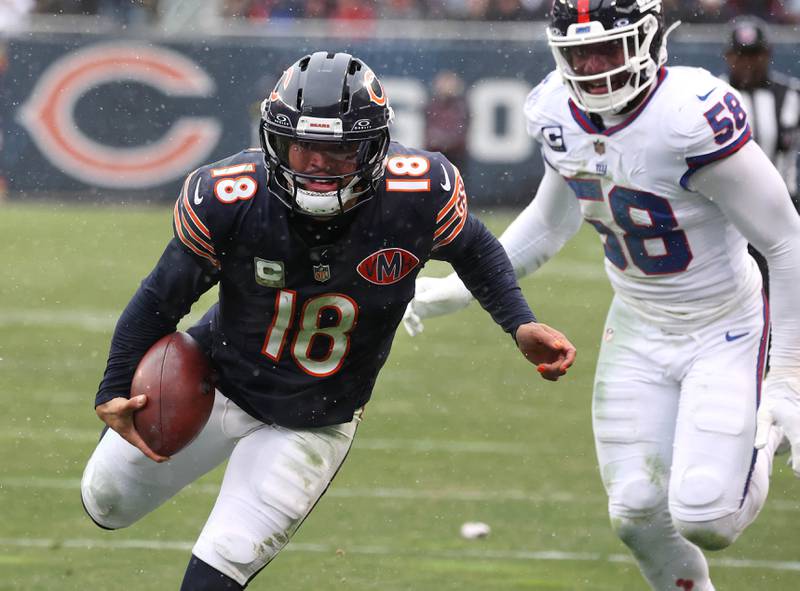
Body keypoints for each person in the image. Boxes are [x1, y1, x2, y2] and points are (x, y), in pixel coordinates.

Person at [79, 51, 576, 591]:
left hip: (314, 419)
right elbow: (160, 298)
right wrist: (113, 383)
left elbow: (475, 249)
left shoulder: (416, 195)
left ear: (372, 149)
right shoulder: (232, 198)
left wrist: (518, 323)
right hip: (215, 383)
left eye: (337, 152)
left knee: (221, 566)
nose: (316, 165)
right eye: (303, 147)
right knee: (105, 503)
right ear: (275, 141)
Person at [402, 2, 800, 590]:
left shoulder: (691, 113)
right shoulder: (555, 110)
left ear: (648, 41)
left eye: (607, 49)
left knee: (708, 517)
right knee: (636, 513)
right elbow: (549, 222)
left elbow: (786, 242)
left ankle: (763, 435)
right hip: (637, 324)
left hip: (722, 324)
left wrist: (787, 379)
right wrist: (462, 288)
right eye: (578, 53)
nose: (591, 68)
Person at [722, 16, 800, 295]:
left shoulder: (791, 95)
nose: (747, 63)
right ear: (728, 56)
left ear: (767, 55)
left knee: (786, 297)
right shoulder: (711, 97)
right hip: (729, 218)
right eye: (741, 55)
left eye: (754, 55)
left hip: (785, 212)